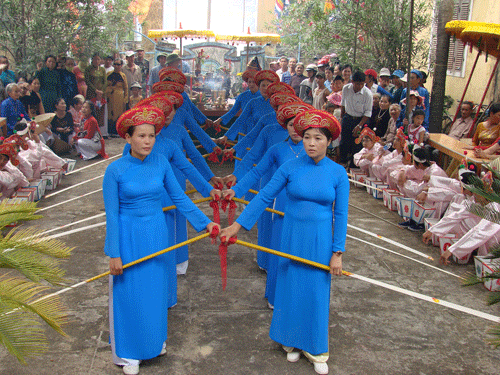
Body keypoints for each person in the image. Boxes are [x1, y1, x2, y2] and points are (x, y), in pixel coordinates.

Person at [219, 109, 348, 375]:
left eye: (318, 139)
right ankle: (291, 340)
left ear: (329, 142)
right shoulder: (290, 167)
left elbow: (341, 214)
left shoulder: (338, 173)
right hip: (291, 234)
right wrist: (237, 226)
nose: (311, 143)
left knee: (315, 289)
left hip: (319, 239)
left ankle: (315, 347)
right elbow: (264, 196)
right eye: (307, 138)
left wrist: (338, 251)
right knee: (290, 285)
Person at [104, 105, 219, 375]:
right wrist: (114, 253)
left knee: (154, 291)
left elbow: (180, 198)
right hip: (129, 236)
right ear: (128, 138)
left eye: (151, 136)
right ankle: (129, 353)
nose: (147, 141)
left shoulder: (161, 162)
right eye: (141, 136)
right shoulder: (115, 171)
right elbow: (111, 216)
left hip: (157, 233)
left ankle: (153, 342)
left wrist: (205, 223)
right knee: (129, 293)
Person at [223, 102, 311, 309]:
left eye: (301, 126)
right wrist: (236, 189)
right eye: (291, 125)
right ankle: (276, 297)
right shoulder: (277, 149)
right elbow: (256, 171)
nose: (296, 130)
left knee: (303, 259)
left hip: (306, 213)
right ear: (285, 126)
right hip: (280, 208)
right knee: (279, 254)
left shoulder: (313, 152)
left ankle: (299, 303)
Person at [339, 70, 373, 167]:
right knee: (344, 142)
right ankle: (343, 163)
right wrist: (342, 117)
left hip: (361, 120)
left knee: (357, 144)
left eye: (362, 84)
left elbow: (368, 112)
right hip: (348, 117)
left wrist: (359, 125)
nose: (359, 86)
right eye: (357, 84)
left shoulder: (368, 94)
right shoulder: (346, 88)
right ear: (352, 82)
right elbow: (343, 104)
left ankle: (354, 166)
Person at [106, 59, 128, 137]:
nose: (116, 66)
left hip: (119, 97)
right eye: (115, 64)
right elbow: (105, 85)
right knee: (110, 113)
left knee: (118, 113)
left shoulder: (123, 75)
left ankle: (117, 131)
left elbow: (126, 87)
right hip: (110, 96)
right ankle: (110, 131)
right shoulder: (109, 74)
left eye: (118, 64)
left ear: (121, 66)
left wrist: (125, 98)